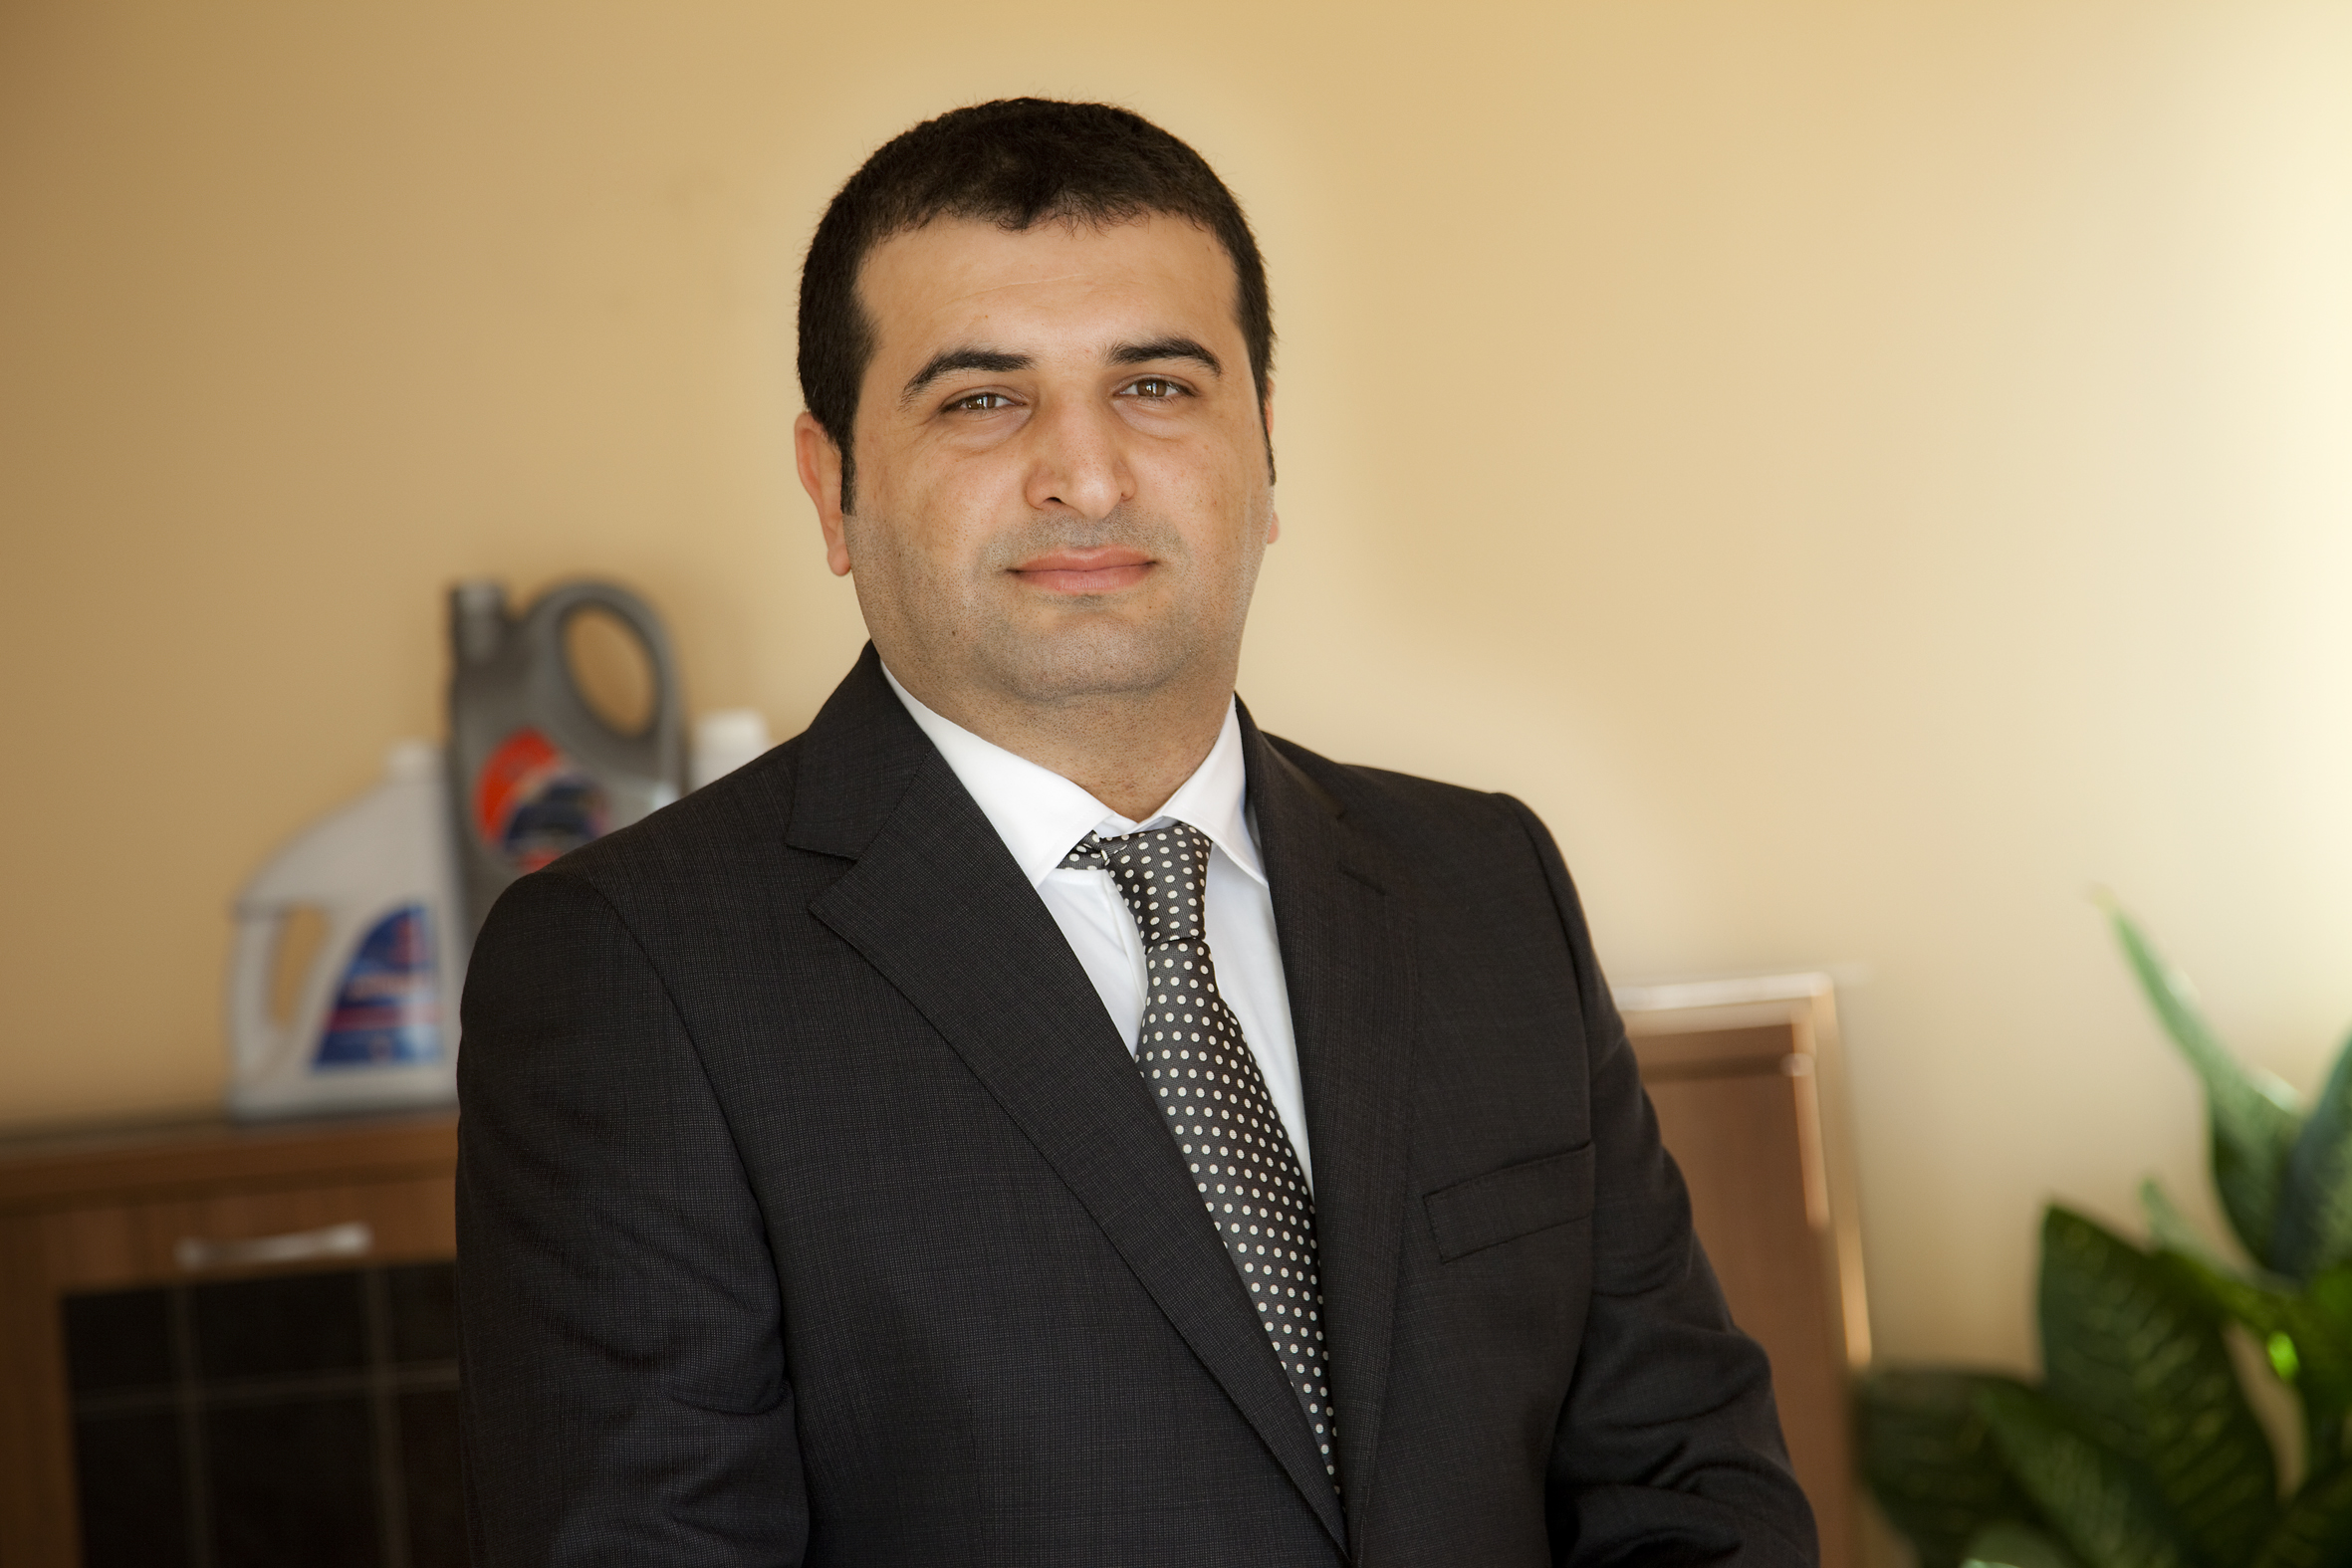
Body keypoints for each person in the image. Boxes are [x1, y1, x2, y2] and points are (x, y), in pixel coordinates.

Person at [456, 98, 1815, 1566]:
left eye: (1156, 386)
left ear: (1265, 448)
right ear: (831, 483)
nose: (1087, 476)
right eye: (981, 401)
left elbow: (1687, 1481)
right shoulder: (633, 969)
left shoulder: (1486, 883)